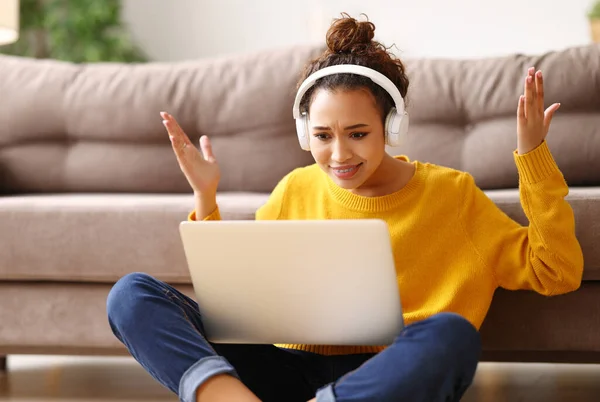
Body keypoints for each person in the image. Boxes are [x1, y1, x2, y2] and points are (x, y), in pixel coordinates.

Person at [106, 13, 584, 402]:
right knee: (131, 295)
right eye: (322, 136)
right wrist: (205, 197)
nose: (339, 155)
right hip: (286, 370)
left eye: (357, 134)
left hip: (384, 376)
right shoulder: (294, 189)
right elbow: (234, 306)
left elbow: (556, 271)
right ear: (303, 133)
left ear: (391, 128)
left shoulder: (453, 195)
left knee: (452, 337)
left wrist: (533, 159)